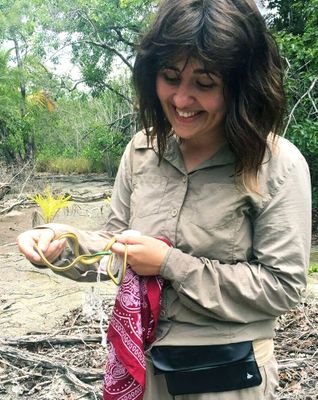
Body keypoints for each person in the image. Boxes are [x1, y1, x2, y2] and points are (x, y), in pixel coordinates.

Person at [17, 0, 312, 399]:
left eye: (204, 84)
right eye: (170, 77)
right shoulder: (142, 150)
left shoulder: (276, 164)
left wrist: (171, 264)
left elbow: (283, 287)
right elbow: (117, 247)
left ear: (240, 85)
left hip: (226, 375)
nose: (181, 99)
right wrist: (60, 243)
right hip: (145, 366)